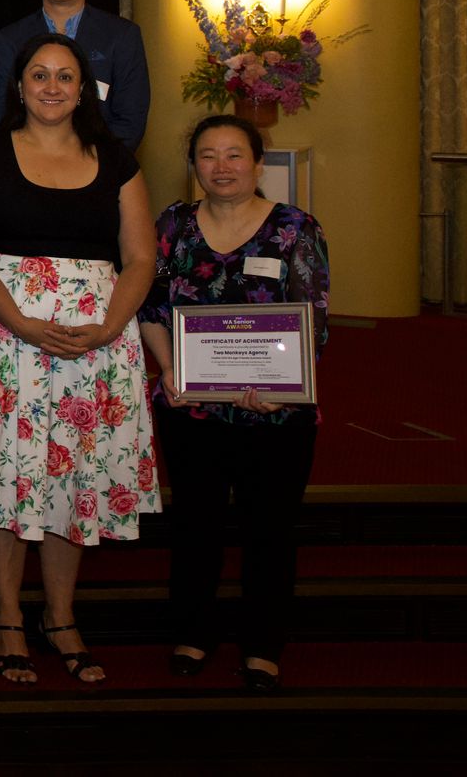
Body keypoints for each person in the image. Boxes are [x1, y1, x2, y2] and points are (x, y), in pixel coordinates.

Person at [0, 33, 157, 687]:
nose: (52, 87)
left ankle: (60, 617)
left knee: (73, 477)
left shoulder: (115, 158)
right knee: (9, 475)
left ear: (83, 88)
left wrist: (107, 328)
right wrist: (25, 321)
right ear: (20, 86)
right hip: (6, 337)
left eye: (65, 76)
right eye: (39, 75)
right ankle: (7, 615)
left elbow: (140, 257)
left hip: (96, 340)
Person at [139, 114, 329, 693]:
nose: (220, 167)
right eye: (207, 155)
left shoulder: (295, 228)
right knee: (195, 524)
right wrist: (171, 369)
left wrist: (280, 385)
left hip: (278, 414)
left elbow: (313, 320)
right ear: (193, 164)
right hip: (189, 406)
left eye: (234, 155)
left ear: (258, 162)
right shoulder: (172, 225)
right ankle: (193, 632)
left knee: (268, 528)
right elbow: (149, 308)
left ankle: (263, 644)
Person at [0, 0, 150, 150]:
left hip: (103, 169)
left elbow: (130, 121)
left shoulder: (122, 36)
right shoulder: (10, 39)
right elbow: (3, 118)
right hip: (29, 169)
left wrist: (86, 165)